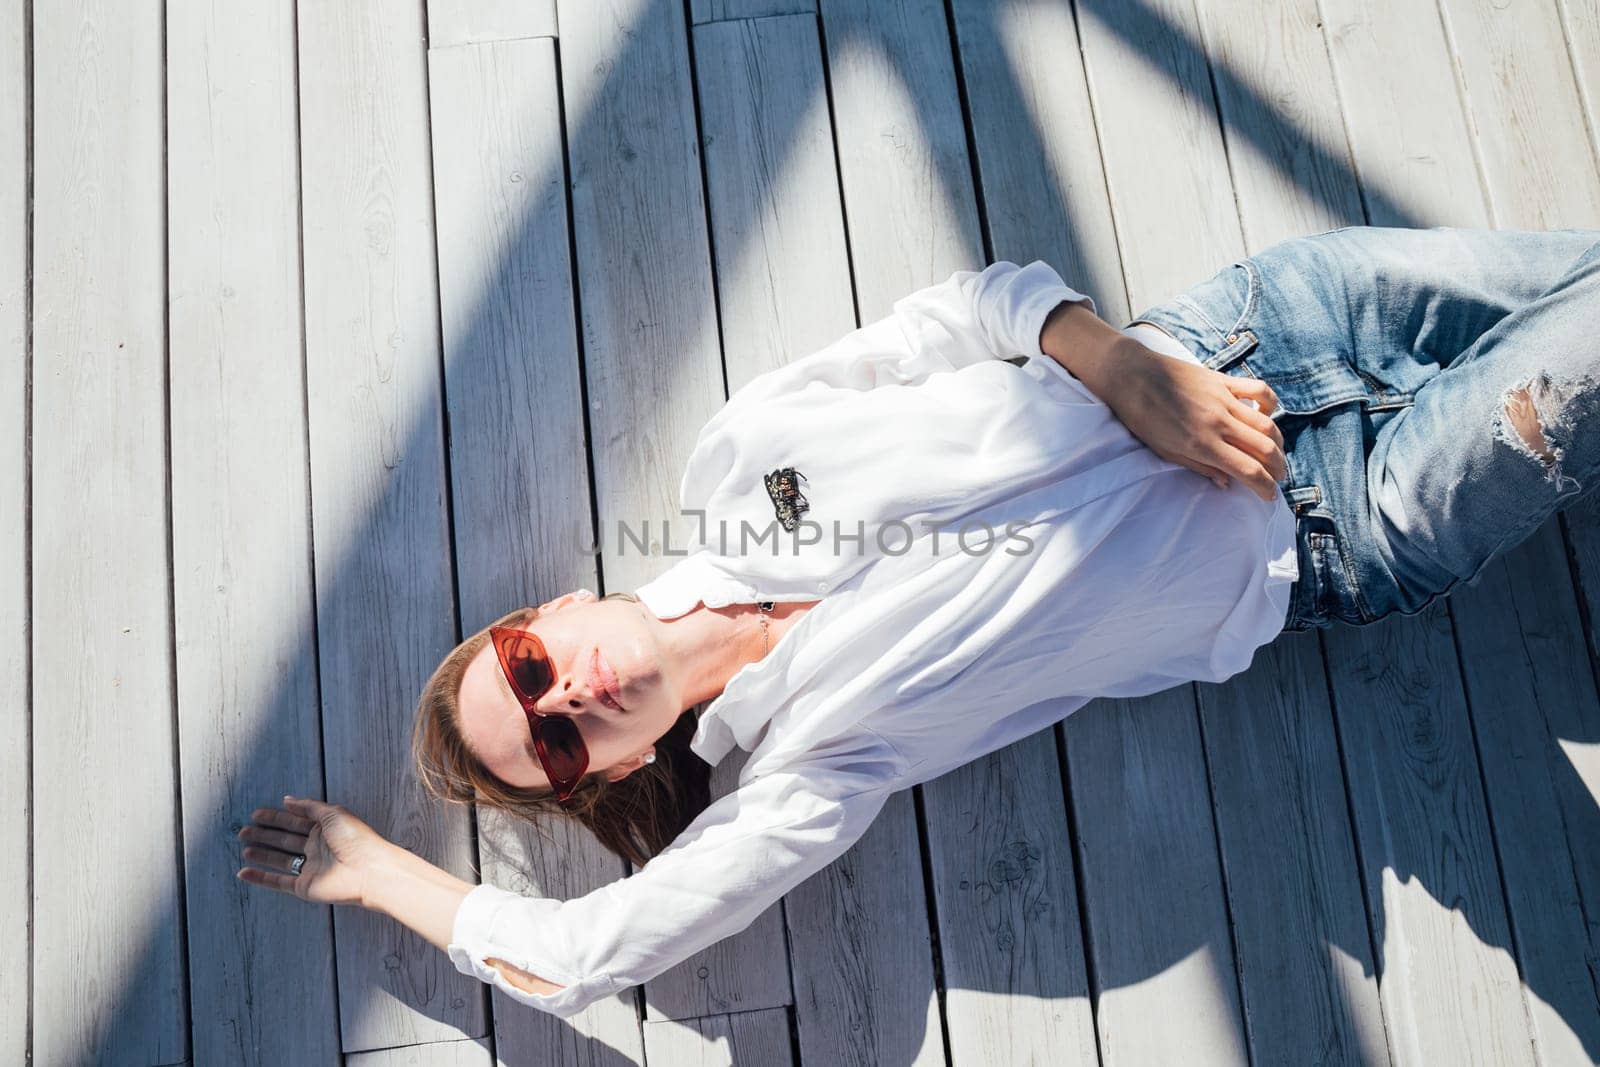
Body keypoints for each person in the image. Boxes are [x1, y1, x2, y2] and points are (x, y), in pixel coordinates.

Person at [237, 225, 1598, 1018]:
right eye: (555, 744)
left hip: (1262, 328)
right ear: (621, 770)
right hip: (1341, 530)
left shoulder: (738, 455)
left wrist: (1121, 365)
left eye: (528, 666)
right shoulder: (811, 773)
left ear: (555, 609)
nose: (564, 696)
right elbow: (583, 955)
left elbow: (968, 310)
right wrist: (370, 871)